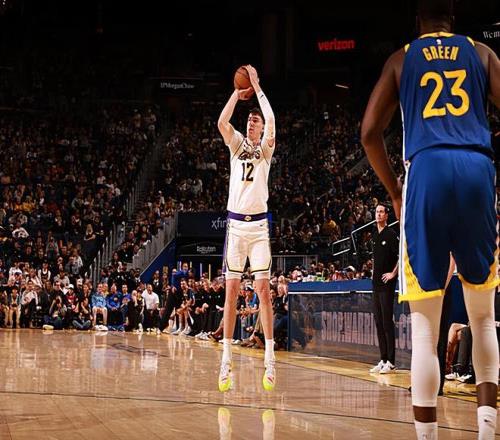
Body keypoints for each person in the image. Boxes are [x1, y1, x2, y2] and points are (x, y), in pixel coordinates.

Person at [361, 0, 499, 438]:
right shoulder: (481, 53)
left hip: (426, 170)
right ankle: (487, 429)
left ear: (417, 19)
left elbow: (369, 133)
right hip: (476, 168)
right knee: (482, 318)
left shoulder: (401, 59)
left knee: (424, 329)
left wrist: (395, 191)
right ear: (453, 17)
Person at [217, 64, 276, 392]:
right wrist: (236, 94)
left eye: (256, 120)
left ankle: (270, 357)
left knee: (264, 291)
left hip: (259, 229)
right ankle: (226, 359)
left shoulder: (266, 149)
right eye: (250, 120)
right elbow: (221, 122)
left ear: (262, 127)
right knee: (231, 292)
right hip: (236, 228)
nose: (252, 122)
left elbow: (272, 120)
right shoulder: (237, 144)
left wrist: (257, 85)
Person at [369, 204, 398, 374]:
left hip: (387, 284)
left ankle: (391, 362)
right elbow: (375, 258)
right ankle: (383, 359)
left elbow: (400, 256)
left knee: (387, 321)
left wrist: (393, 273)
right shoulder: (374, 235)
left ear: (387, 215)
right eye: (377, 212)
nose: (378, 214)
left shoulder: (391, 234)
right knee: (378, 321)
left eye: (381, 212)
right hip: (376, 283)